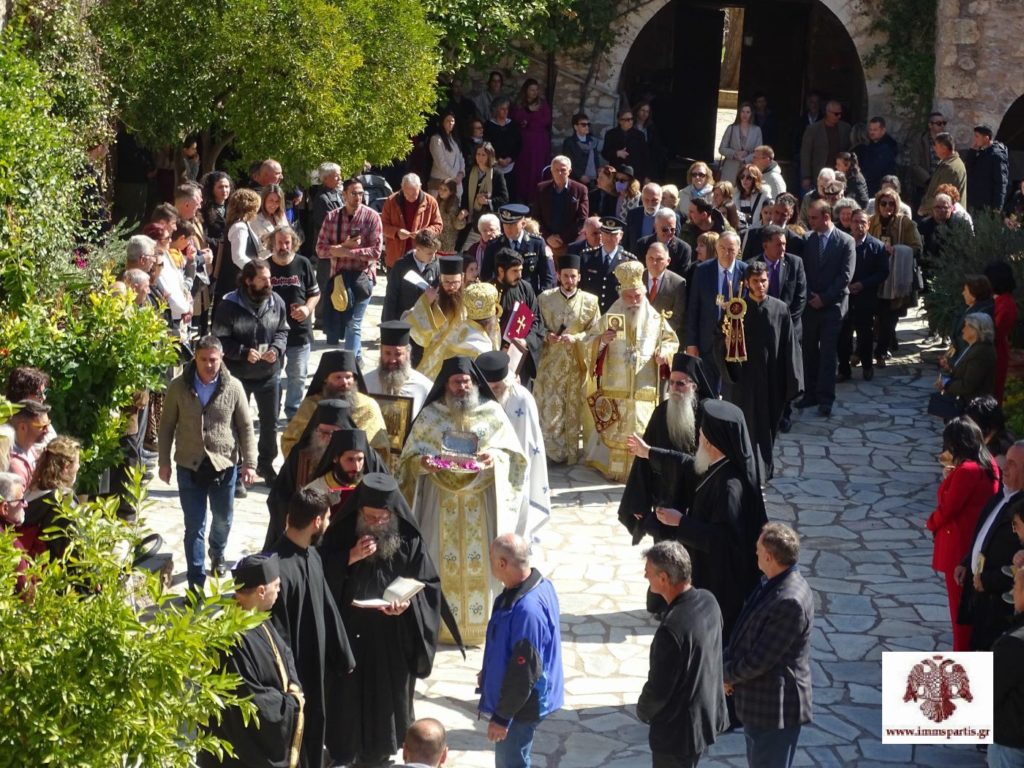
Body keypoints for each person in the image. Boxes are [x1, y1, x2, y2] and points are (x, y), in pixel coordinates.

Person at [319, 473, 456, 768]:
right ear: (359, 511)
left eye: (383, 518)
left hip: (392, 640)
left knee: (384, 708)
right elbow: (318, 577)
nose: (376, 524)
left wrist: (407, 605)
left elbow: (428, 586)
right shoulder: (341, 536)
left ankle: (379, 757)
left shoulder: (409, 540)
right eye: (370, 518)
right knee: (347, 708)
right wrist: (349, 558)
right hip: (349, 638)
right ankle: (344, 756)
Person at [397, 356, 527, 644]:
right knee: (438, 559)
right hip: (439, 502)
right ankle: (441, 626)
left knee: (479, 562)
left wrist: (494, 458)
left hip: (478, 503)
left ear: (474, 383)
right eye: (456, 382)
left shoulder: (491, 412)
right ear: (446, 384)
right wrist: (423, 463)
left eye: (466, 382)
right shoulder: (431, 416)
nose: (462, 387)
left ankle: (478, 628)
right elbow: (407, 459)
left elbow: (514, 455)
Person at [655, 398, 767, 644]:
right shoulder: (719, 467)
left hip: (721, 586)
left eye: (702, 433)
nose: (699, 437)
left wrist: (681, 523)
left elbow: (722, 539)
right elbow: (689, 468)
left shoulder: (730, 488)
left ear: (710, 442)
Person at [157, 335, 257, 588]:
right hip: (188, 465)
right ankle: (196, 581)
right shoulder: (178, 387)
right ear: (196, 359)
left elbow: (245, 427)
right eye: (203, 360)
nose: (208, 365)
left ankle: (218, 551)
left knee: (222, 519)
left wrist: (250, 463)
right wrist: (163, 462)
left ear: (221, 358)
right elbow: (166, 426)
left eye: (213, 360)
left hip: (224, 465)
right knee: (194, 526)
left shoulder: (233, 387)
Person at [268, 488, 356, 768]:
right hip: (295, 675)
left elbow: (326, 605)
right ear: (317, 521)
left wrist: (343, 654)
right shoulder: (276, 571)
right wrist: (289, 681)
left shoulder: (313, 556)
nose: (328, 523)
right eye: (327, 518)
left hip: (316, 668)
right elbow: (276, 633)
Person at [197, 554, 305, 768]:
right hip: (240, 753)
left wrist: (293, 684)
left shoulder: (255, 615)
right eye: (276, 586)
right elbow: (250, 700)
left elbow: (284, 652)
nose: (279, 590)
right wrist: (291, 703)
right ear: (261, 591)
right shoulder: (229, 640)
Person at [723, 522, 814, 768]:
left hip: (774, 711)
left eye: (758, 550)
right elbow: (745, 632)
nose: (754, 553)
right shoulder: (772, 582)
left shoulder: (790, 601)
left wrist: (725, 674)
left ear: (769, 557)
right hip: (759, 706)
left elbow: (759, 660)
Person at [621, 354, 712, 600]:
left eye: (680, 383)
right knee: (663, 558)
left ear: (694, 386)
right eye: (671, 382)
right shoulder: (662, 411)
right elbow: (643, 458)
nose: (674, 388)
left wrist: (651, 453)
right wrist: (639, 503)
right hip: (666, 498)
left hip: (695, 502)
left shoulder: (706, 416)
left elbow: (698, 465)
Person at [583, 260, 678, 482]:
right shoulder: (610, 316)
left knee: (643, 428)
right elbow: (589, 342)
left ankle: (640, 470)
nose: (634, 301)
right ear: (621, 295)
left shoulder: (655, 318)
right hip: (615, 388)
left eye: (638, 296)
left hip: (644, 388)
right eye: (629, 297)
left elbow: (671, 341)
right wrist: (602, 340)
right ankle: (614, 469)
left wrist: (664, 354)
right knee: (615, 430)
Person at [637, 541, 729, 768]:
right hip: (703, 719)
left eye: (648, 572)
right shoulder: (709, 601)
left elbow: (659, 689)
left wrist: (643, 709)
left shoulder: (671, 630)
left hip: (677, 735)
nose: (645, 576)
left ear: (664, 578)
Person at [479, 534, 564, 768]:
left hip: (521, 705)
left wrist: (502, 717)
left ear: (502, 563)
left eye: (491, 558)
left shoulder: (527, 610)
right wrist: (489, 673)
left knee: (511, 763)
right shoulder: (538, 586)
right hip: (523, 697)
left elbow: (524, 671)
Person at [721, 263, 802, 481]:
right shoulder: (736, 309)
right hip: (744, 380)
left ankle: (764, 469)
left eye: (764, 281)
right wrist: (726, 343)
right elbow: (720, 336)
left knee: (768, 426)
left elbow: (789, 344)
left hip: (771, 379)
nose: (760, 285)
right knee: (744, 424)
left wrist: (793, 380)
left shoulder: (780, 309)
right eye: (755, 281)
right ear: (747, 283)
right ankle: (745, 468)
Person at [926, 417, 1000, 651]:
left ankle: (961, 655)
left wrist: (930, 523)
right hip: (974, 542)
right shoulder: (988, 463)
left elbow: (949, 508)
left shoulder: (967, 471)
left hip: (959, 547)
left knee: (960, 612)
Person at [213, 258, 289, 484]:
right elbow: (219, 339)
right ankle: (236, 470)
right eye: (263, 279)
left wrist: (277, 349)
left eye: (269, 278)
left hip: (269, 374)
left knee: (270, 423)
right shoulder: (229, 305)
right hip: (237, 377)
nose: (269, 283)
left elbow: (283, 331)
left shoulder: (276, 301)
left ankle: (265, 465)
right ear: (248, 281)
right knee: (236, 423)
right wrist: (242, 352)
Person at [265, 399, 364, 549]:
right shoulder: (301, 454)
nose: (327, 438)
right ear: (314, 430)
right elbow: (279, 496)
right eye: (323, 432)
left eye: (333, 433)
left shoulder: (360, 456)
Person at [955, 440, 1024, 651]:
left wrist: (988, 580)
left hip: (1001, 604)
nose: (1004, 467)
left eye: (1012, 464)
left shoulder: (1021, 511)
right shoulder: (1002, 495)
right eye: (1006, 461)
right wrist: (967, 561)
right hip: (981, 596)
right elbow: (984, 532)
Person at [533, 252, 601, 464]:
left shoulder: (591, 301)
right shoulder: (544, 299)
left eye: (573, 276)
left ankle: (569, 452)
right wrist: (547, 335)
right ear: (558, 275)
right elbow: (536, 326)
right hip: (549, 363)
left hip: (575, 363)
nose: (569, 280)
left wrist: (577, 338)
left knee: (571, 407)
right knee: (549, 407)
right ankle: (549, 453)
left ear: (579, 277)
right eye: (565, 276)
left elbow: (596, 332)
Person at [477, 351, 551, 546]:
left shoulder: (521, 399)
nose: (493, 392)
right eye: (488, 388)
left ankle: (517, 545)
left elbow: (526, 443)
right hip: (487, 468)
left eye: (497, 387)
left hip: (516, 467)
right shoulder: (477, 396)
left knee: (518, 509)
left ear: (506, 382)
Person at [794, 200, 855, 418]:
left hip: (833, 306)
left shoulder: (846, 241)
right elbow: (802, 271)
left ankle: (826, 399)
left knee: (828, 353)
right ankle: (810, 393)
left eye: (813, 218)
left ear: (826, 217)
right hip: (811, 305)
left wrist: (825, 298)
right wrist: (811, 296)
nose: (810, 222)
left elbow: (845, 276)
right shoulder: (808, 240)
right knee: (809, 351)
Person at [315, 177, 383, 355]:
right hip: (339, 279)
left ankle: (351, 363)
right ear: (343, 195)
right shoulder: (332, 217)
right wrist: (341, 248)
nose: (358, 197)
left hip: (362, 277)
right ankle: (356, 359)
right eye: (354, 193)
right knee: (341, 322)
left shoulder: (372, 217)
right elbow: (320, 250)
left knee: (354, 322)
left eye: (361, 193)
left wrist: (348, 252)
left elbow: (376, 252)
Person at [280, 350, 388, 461]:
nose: (344, 382)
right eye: (338, 377)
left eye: (348, 377)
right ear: (325, 379)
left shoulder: (368, 406)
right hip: (315, 467)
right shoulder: (310, 405)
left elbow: (380, 448)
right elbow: (290, 440)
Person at [268, 225, 320, 421]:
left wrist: (307, 309)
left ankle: (293, 414)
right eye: (279, 242)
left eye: (287, 242)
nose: (283, 247)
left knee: (298, 376)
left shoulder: (303, 263)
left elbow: (315, 294)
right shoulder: (264, 267)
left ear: (294, 243)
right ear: (272, 244)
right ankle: (271, 413)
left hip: (300, 332)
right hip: (272, 334)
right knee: (273, 376)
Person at [685, 231, 747, 395]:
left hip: (734, 343)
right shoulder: (702, 270)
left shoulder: (746, 272)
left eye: (731, 249)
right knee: (707, 392)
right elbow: (693, 308)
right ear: (717, 248)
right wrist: (691, 343)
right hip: (707, 341)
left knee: (731, 391)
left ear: (738, 250)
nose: (726, 253)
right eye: (722, 248)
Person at [869, 188, 922, 366]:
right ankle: (879, 347)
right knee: (877, 314)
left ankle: (881, 352)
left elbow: (916, 246)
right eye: (883, 203)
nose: (887, 207)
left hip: (896, 275)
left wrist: (897, 251)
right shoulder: (871, 222)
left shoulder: (905, 223)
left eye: (891, 203)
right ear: (878, 205)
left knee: (890, 316)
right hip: (876, 275)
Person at [837, 209, 889, 383]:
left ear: (868, 225)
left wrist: (863, 284)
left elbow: (883, 272)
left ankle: (867, 366)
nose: (859, 225)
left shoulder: (877, 246)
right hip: (844, 297)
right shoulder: (843, 243)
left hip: (865, 297)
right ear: (850, 223)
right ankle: (844, 369)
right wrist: (845, 285)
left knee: (865, 334)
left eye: (863, 222)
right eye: (856, 221)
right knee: (843, 335)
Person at [405, 256, 472, 380]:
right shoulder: (431, 298)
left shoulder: (469, 299)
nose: (451, 287)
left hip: (458, 360)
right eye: (446, 282)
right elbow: (415, 331)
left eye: (455, 282)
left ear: (462, 278)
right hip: (432, 358)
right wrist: (427, 303)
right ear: (440, 279)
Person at [990, 567, 1024, 767]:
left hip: (1012, 745)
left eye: (1016, 585)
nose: (1012, 591)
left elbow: (989, 692)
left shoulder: (1014, 643)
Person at [364, 321, 434, 417]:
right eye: (387, 353)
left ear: (408, 354)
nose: (392, 360)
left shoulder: (424, 387)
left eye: (398, 354)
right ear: (381, 353)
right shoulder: (366, 383)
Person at [482, 204, 552, 296]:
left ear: (523, 224)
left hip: (529, 297)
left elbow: (547, 277)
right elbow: (486, 276)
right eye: (505, 224)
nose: (508, 228)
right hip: (502, 297)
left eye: (512, 224)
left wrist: (539, 298)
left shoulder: (537, 243)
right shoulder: (494, 245)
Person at [531, 155, 588, 258]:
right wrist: (548, 237)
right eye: (556, 170)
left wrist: (562, 238)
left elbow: (582, 219)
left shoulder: (580, 189)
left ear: (569, 171)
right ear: (551, 171)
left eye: (563, 170)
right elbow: (535, 217)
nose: (559, 173)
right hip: (546, 242)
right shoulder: (541, 189)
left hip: (569, 244)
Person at [937, 313, 997, 410]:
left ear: (976, 330)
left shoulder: (981, 352)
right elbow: (965, 370)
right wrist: (949, 369)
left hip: (973, 407)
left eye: (966, 326)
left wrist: (946, 384)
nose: (963, 330)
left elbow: (968, 385)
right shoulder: (972, 347)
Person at [578, 215, 637, 314]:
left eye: (614, 234)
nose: (609, 238)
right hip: (590, 314)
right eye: (606, 233)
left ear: (621, 235)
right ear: (601, 234)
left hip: (617, 315)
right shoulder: (586, 257)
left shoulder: (629, 261)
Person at [382, 229, 441, 327]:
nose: (433, 256)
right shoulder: (401, 266)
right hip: (403, 321)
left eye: (435, 252)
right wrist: (388, 325)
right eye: (429, 253)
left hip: (425, 324)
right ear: (418, 249)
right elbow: (391, 297)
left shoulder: (436, 266)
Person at [511, 78, 552, 203]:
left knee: (538, 168)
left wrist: (529, 122)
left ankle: (537, 197)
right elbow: (517, 118)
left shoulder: (542, 104)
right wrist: (528, 112)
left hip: (539, 141)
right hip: (524, 142)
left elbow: (546, 120)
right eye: (531, 90)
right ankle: (522, 197)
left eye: (536, 90)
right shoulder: (519, 104)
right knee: (524, 169)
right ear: (526, 91)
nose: (534, 92)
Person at [462, 142, 509, 250]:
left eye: (483, 155)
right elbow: (465, 196)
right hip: (472, 221)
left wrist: (488, 201)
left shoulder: (497, 174)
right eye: (478, 154)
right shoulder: (470, 172)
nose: (480, 157)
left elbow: (504, 199)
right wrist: (464, 210)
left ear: (489, 156)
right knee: (468, 251)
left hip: (488, 222)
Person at [986, 260, 1019, 403]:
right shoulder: (1000, 300)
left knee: (991, 396)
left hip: (995, 354)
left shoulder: (1005, 304)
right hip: (994, 351)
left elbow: (995, 331)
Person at [799, 100, 850, 189]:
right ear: (828, 113)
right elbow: (806, 154)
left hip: (838, 174)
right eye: (836, 114)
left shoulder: (845, 128)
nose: (839, 116)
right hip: (819, 173)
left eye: (840, 113)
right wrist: (806, 176)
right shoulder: (813, 129)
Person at [643, 242, 687, 340]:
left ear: (668, 261)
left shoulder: (678, 283)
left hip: (663, 339)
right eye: (651, 258)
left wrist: (658, 333)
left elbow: (677, 317)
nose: (654, 263)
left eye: (659, 259)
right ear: (646, 258)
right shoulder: (636, 278)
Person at [918, 132, 968, 216]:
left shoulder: (950, 168)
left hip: (944, 217)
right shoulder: (948, 163)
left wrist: (924, 207)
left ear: (944, 148)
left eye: (936, 146)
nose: (934, 148)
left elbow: (943, 197)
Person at [483, 97, 522, 203]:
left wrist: (510, 158)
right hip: (494, 165)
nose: (505, 111)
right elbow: (487, 144)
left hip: (510, 165)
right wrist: (497, 159)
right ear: (496, 110)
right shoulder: (489, 126)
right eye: (502, 109)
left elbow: (518, 144)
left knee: (511, 194)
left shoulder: (512, 125)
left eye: (507, 109)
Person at [964, 124, 1009, 213]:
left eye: (977, 136)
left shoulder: (997, 155)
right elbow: (968, 169)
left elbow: (1001, 183)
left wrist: (997, 208)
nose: (975, 139)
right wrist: (972, 152)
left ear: (986, 138)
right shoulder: (981, 152)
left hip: (987, 206)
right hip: (974, 203)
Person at [6, 401, 52, 489]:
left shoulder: (31, 449)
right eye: (42, 426)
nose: (47, 430)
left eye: (48, 424)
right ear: (23, 427)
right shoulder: (14, 466)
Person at [635, 208, 692, 278]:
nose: (669, 232)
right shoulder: (642, 244)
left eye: (672, 229)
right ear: (655, 227)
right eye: (665, 229)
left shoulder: (684, 249)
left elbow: (682, 278)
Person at [719, 102, 763, 189]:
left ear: (751, 114)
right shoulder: (731, 128)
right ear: (739, 113)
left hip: (748, 169)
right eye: (742, 111)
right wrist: (735, 153)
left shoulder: (757, 130)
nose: (745, 115)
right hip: (730, 168)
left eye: (748, 112)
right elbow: (721, 149)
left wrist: (746, 158)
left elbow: (759, 152)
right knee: (727, 192)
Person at [601, 108, 649, 185]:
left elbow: (645, 156)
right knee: (617, 191)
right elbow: (604, 153)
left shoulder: (639, 135)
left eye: (632, 119)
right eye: (627, 120)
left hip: (635, 174)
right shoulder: (611, 134)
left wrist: (646, 176)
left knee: (632, 192)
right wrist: (617, 153)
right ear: (620, 121)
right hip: (617, 174)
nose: (630, 122)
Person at [853, 117, 899, 195]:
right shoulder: (869, 145)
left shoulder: (888, 147)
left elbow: (878, 169)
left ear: (883, 130)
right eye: (870, 129)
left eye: (875, 130)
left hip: (882, 186)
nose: (872, 132)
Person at [428, 112, 466, 198]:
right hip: (439, 183)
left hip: (456, 183)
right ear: (442, 122)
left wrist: (461, 173)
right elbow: (440, 162)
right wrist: (455, 175)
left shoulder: (455, 140)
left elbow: (461, 158)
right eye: (448, 121)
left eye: (452, 121)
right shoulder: (436, 139)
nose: (450, 123)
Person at [561, 113, 600, 187]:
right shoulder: (569, 142)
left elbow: (596, 160)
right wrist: (580, 175)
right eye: (583, 125)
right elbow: (568, 162)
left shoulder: (592, 141)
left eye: (588, 124)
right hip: (576, 180)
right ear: (576, 127)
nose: (587, 127)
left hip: (593, 180)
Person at [625, 183, 663, 253]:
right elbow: (626, 240)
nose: (650, 204)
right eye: (647, 200)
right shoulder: (633, 214)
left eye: (654, 200)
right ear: (642, 199)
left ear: (661, 199)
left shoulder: (670, 217)